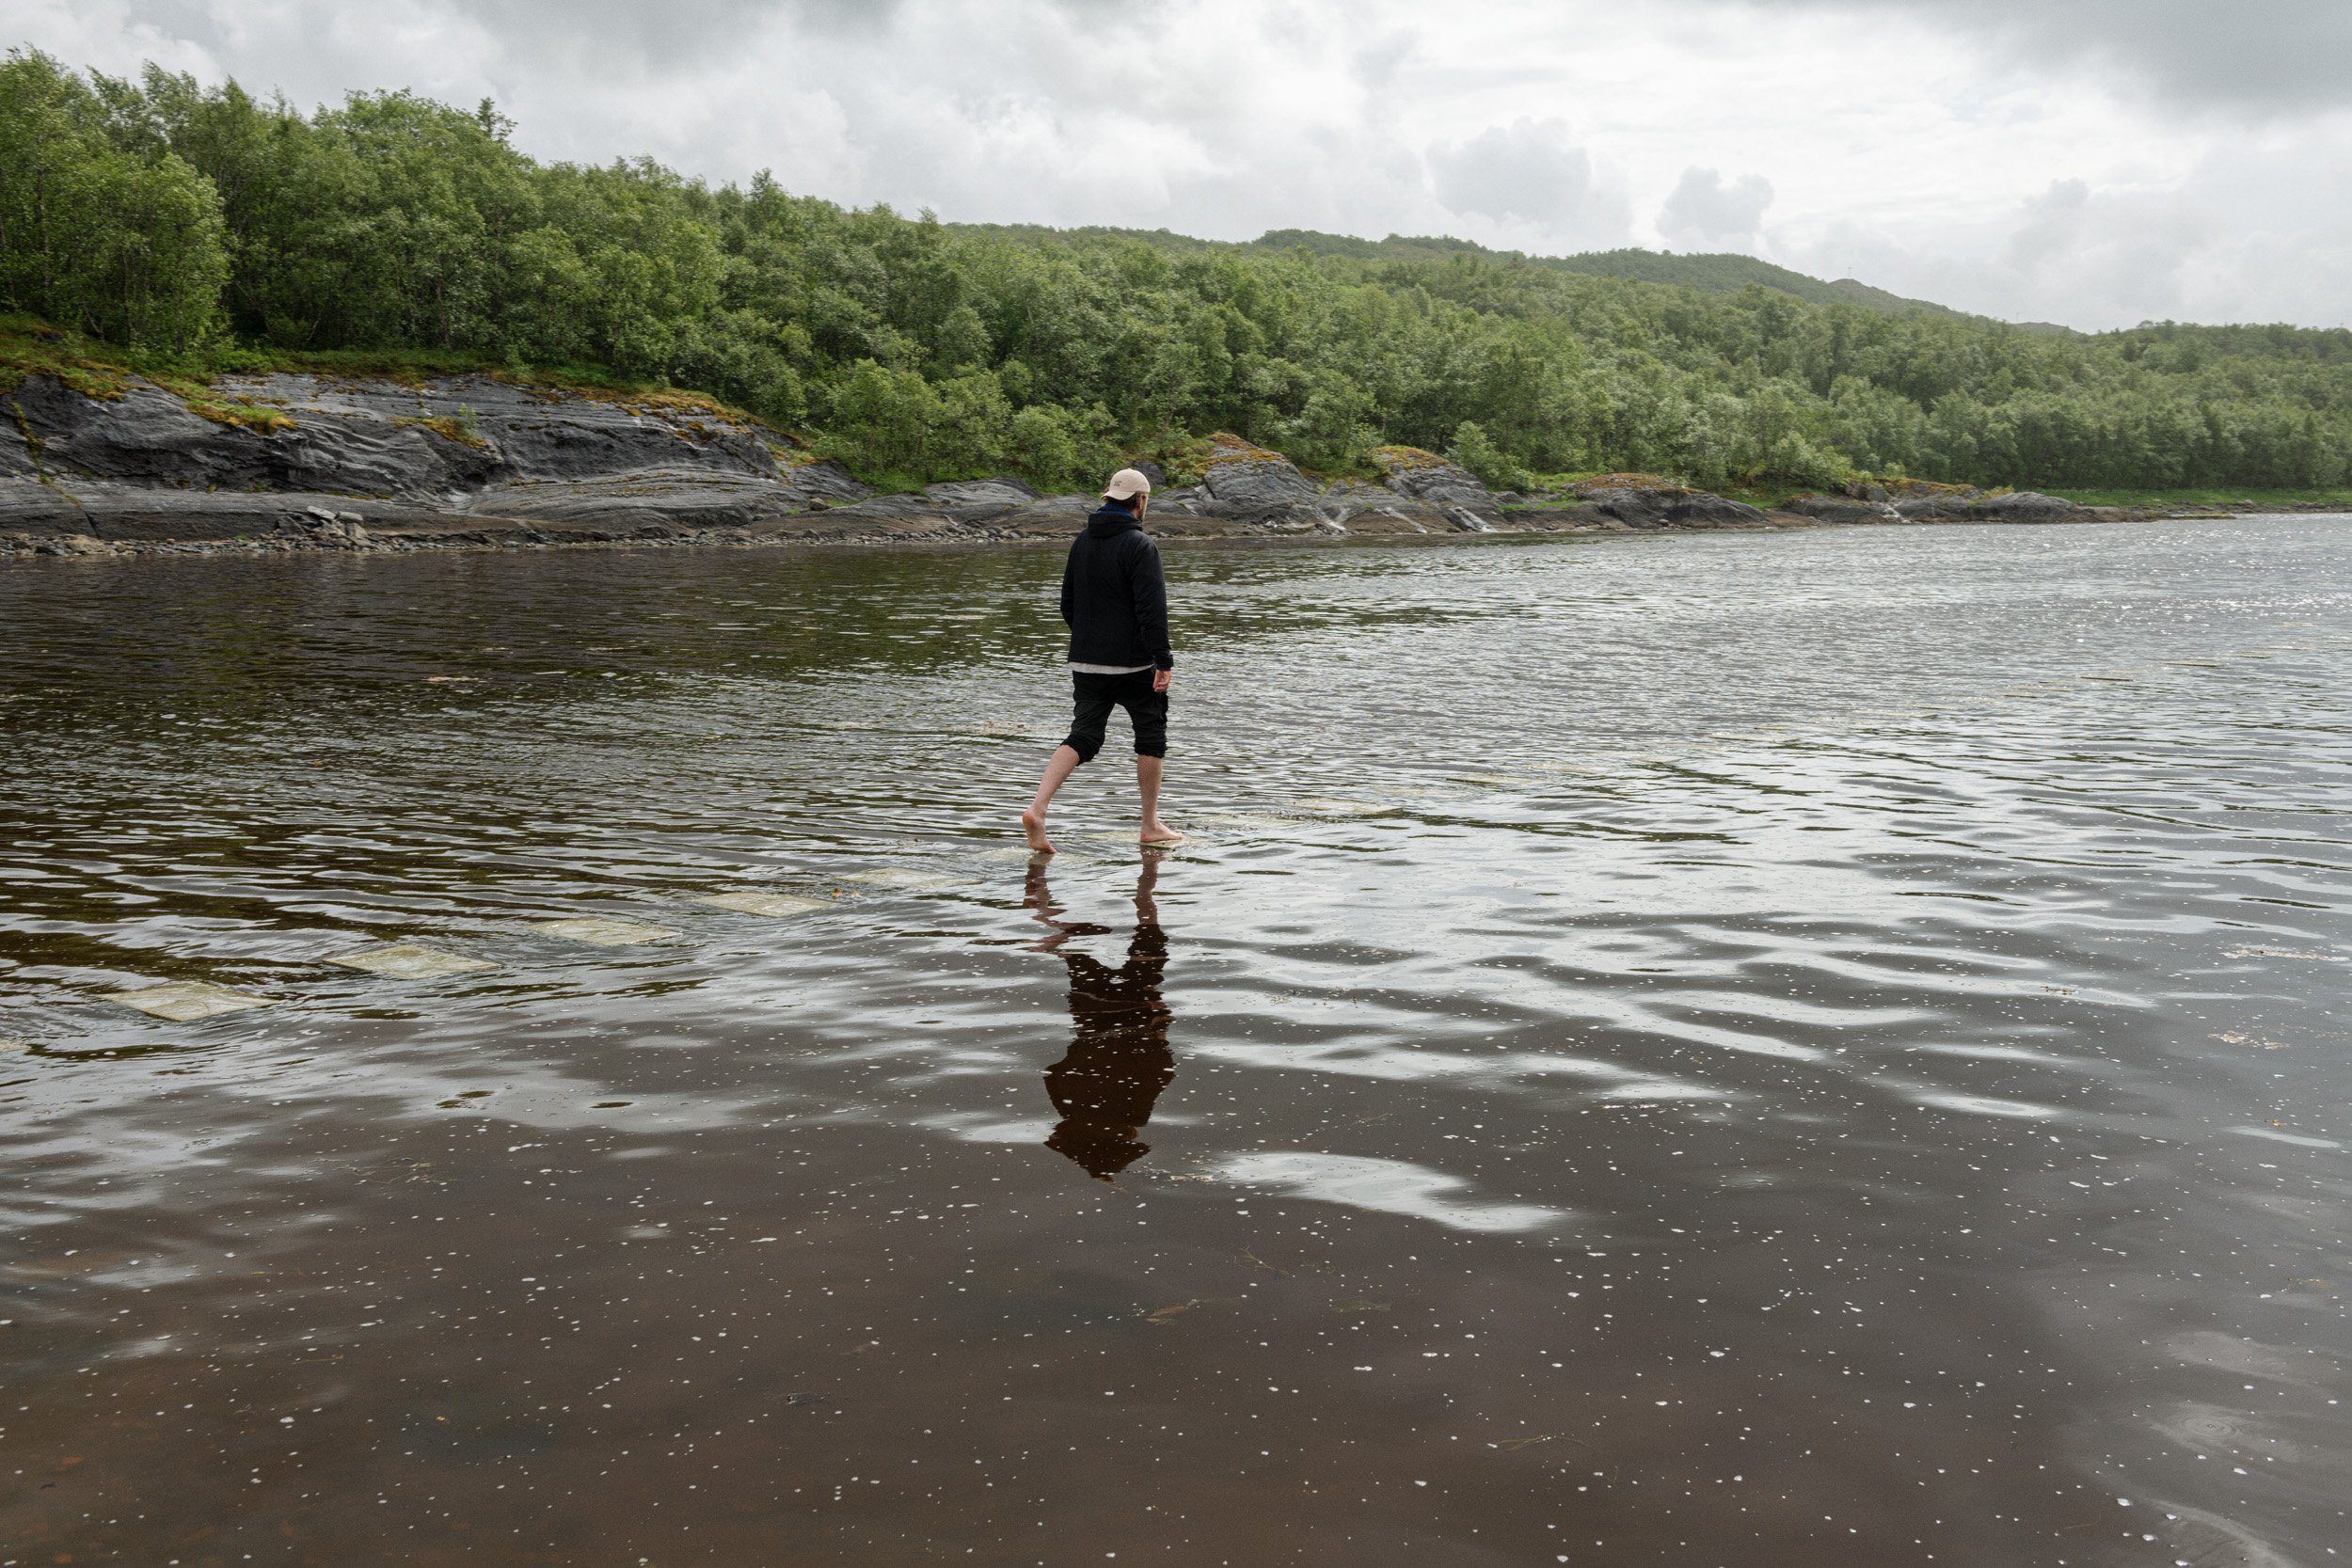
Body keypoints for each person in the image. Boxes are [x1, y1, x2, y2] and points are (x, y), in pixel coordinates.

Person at [1021, 467, 1183, 853]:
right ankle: (1149, 825)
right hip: (1134, 664)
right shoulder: (1140, 546)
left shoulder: (1081, 542)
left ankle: (1038, 807)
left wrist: (1089, 640)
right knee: (1151, 736)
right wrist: (1163, 660)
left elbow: (1067, 604)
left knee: (1084, 734)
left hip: (1086, 662)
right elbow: (1151, 610)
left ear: (1108, 498)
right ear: (1140, 502)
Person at [1025, 858, 1174, 1180]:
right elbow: (1052, 1073)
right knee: (1081, 964)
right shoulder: (1068, 1106)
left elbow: (1161, 1069)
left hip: (1135, 1019)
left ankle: (1145, 892)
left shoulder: (1133, 1114)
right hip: (1090, 1022)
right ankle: (1059, 931)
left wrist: (1161, 1027)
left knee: (1150, 947)